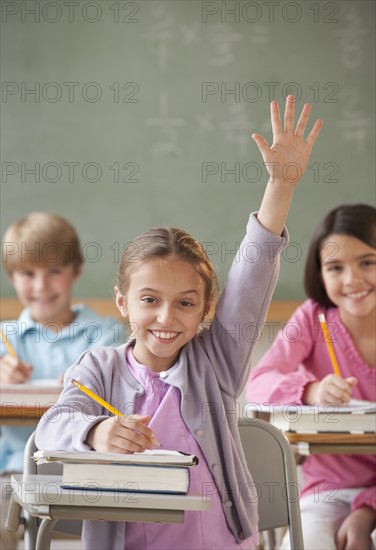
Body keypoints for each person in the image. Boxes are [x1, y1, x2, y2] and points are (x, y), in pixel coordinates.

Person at [36, 96, 322, 550]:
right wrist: (95, 430)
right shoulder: (99, 368)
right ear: (122, 302)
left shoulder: (217, 361)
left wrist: (280, 188)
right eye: (149, 299)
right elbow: (51, 427)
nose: (167, 318)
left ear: (207, 307)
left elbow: (251, 278)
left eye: (186, 303)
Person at [247, 203, 376, 550]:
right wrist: (311, 390)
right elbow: (259, 383)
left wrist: (367, 509)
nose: (352, 280)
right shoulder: (313, 318)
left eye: (367, 262)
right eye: (335, 267)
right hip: (327, 491)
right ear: (320, 274)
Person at [0, 212, 122, 549]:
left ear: (76, 270)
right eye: (28, 273)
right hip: (12, 473)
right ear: (12, 278)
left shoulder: (105, 333)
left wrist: (84, 378)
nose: (41, 286)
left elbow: (118, 396)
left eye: (55, 271)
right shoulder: (5, 338)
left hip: (83, 471)